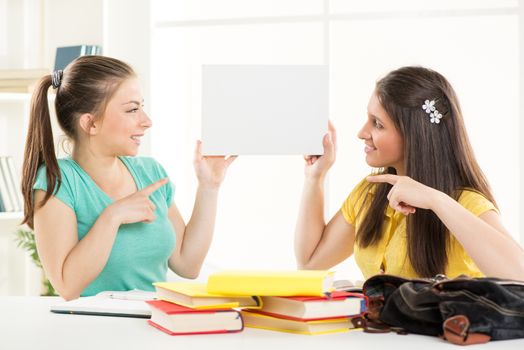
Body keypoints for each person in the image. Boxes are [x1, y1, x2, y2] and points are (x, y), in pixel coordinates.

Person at [21, 56, 236, 300]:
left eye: (142, 107)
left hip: (153, 326)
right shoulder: (58, 182)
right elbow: (67, 287)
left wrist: (209, 187)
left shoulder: (150, 172)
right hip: (90, 331)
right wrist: (112, 217)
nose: (147, 121)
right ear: (90, 123)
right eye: (133, 109)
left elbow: (188, 265)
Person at [294, 66, 524, 280]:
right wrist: (315, 177)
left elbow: (519, 274)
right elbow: (310, 265)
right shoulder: (370, 193)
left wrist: (435, 200)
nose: (362, 132)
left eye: (377, 124)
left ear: (415, 135)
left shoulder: (465, 203)